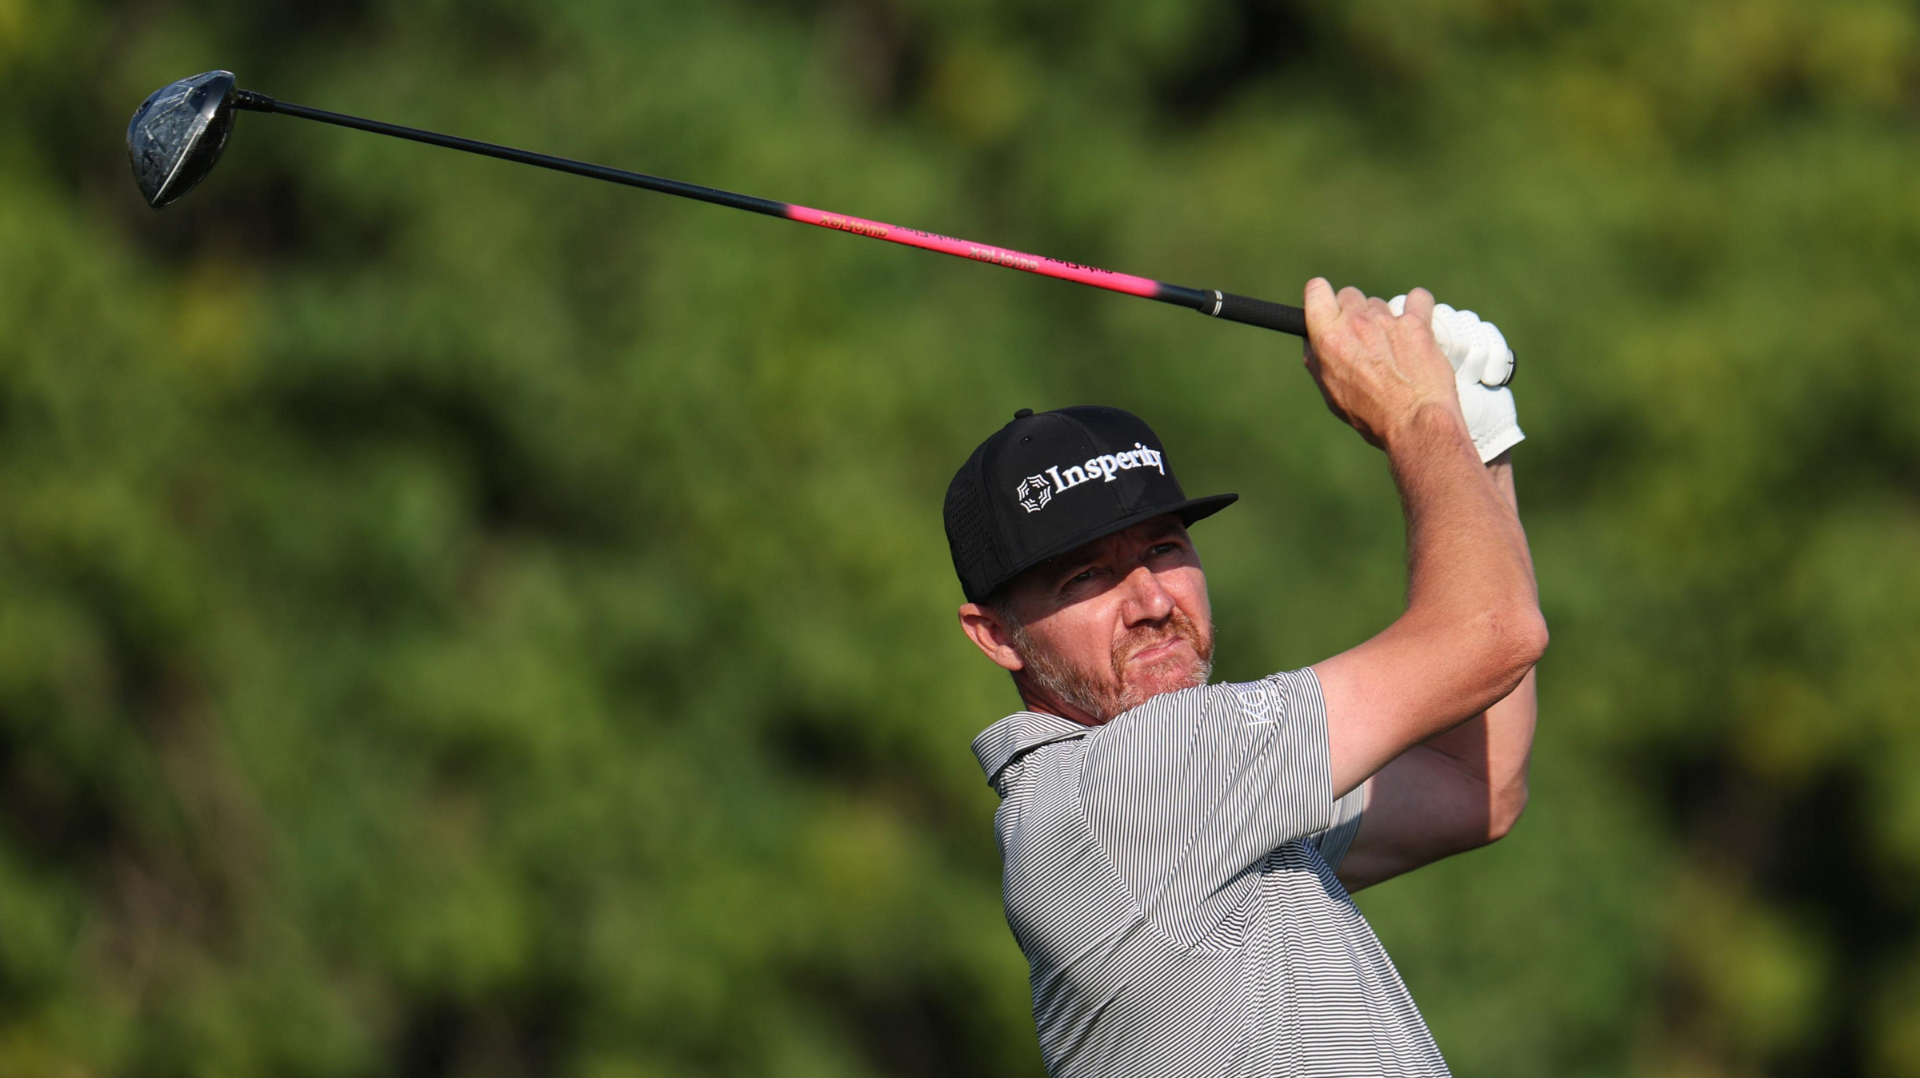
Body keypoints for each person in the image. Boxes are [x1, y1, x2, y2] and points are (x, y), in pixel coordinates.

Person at [942, 281, 1545, 1077]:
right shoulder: (1130, 784)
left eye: (1163, 549)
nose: (1152, 601)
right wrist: (1415, 415)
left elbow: (1474, 786)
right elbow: (1493, 634)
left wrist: (1475, 442)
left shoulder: (1204, 810)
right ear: (995, 636)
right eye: (1085, 576)